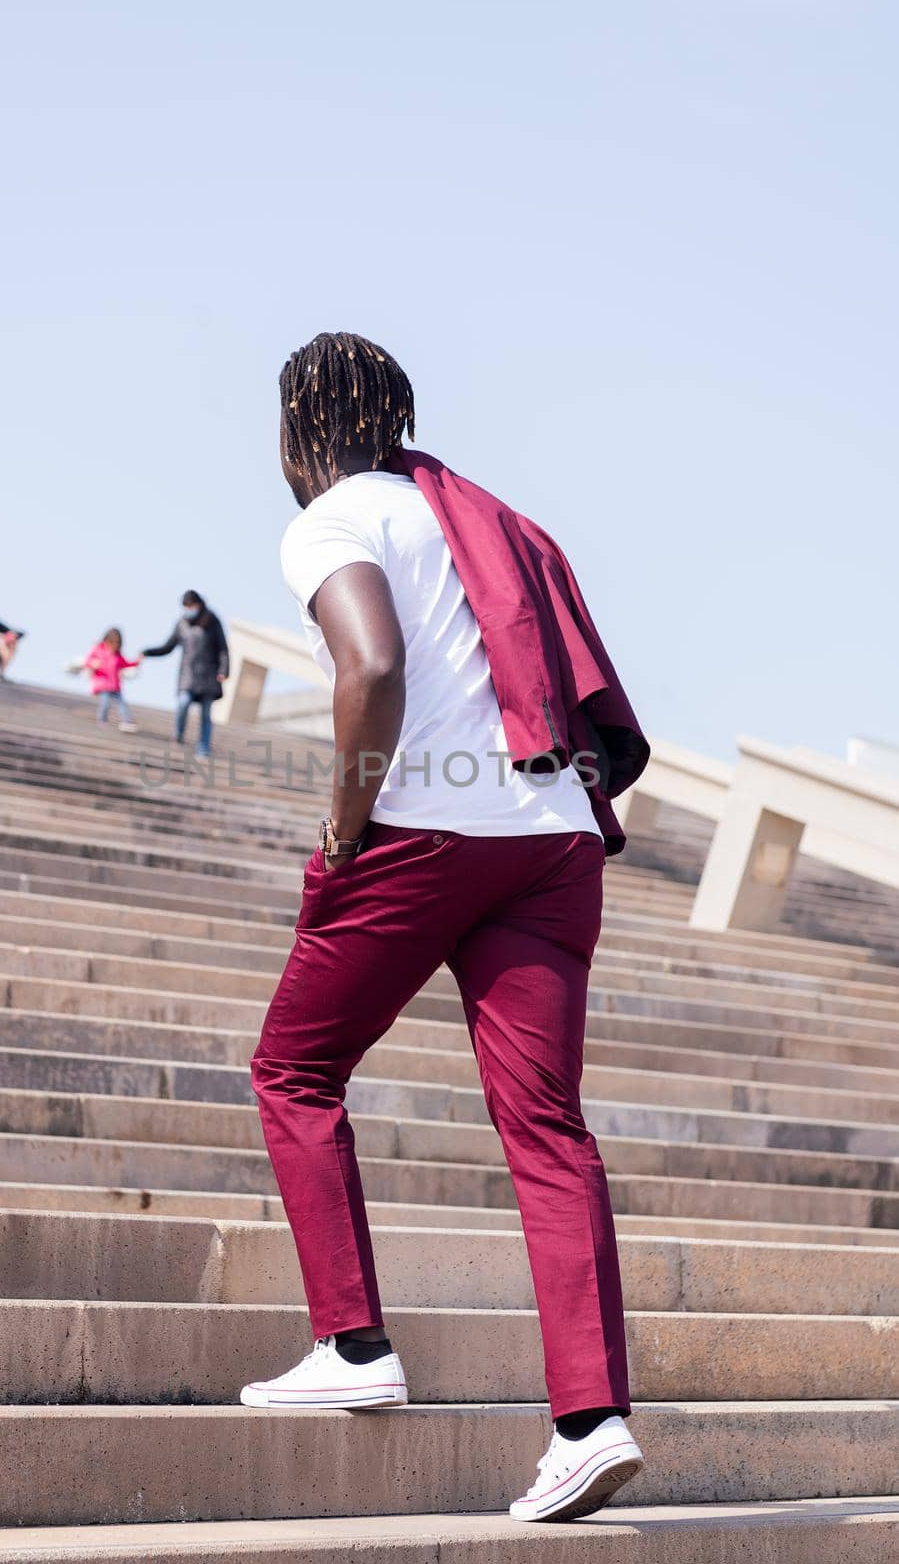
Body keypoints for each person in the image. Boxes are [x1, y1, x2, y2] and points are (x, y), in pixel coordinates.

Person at [239, 333, 651, 1525]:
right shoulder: (481, 516)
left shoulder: (331, 521)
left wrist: (341, 825)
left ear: (296, 429)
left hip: (425, 832)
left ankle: (352, 1343)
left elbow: (370, 665)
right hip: (556, 833)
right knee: (546, 1125)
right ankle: (588, 1422)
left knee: (293, 1068)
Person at [142, 591, 229, 755]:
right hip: (188, 675)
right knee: (183, 703)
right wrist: (147, 652)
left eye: (192, 606)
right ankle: (179, 734)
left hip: (209, 675)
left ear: (199, 604)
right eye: (186, 607)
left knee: (206, 713)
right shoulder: (181, 624)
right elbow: (168, 647)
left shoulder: (212, 621)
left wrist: (224, 670)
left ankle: (203, 747)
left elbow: (223, 648)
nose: (189, 609)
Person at [84, 628, 139, 732]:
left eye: (117, 644)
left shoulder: (117, 655)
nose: (114, 646)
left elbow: (126, 664)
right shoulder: (98, 649)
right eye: (112, 643)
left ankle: (127, 721)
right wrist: (93, 664)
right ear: (106, 641)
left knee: (122, 704)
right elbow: (88, 661)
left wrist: (137, 662)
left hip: (115, 686)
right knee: (105, 703)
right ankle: (102, 720)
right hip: (103, 684)